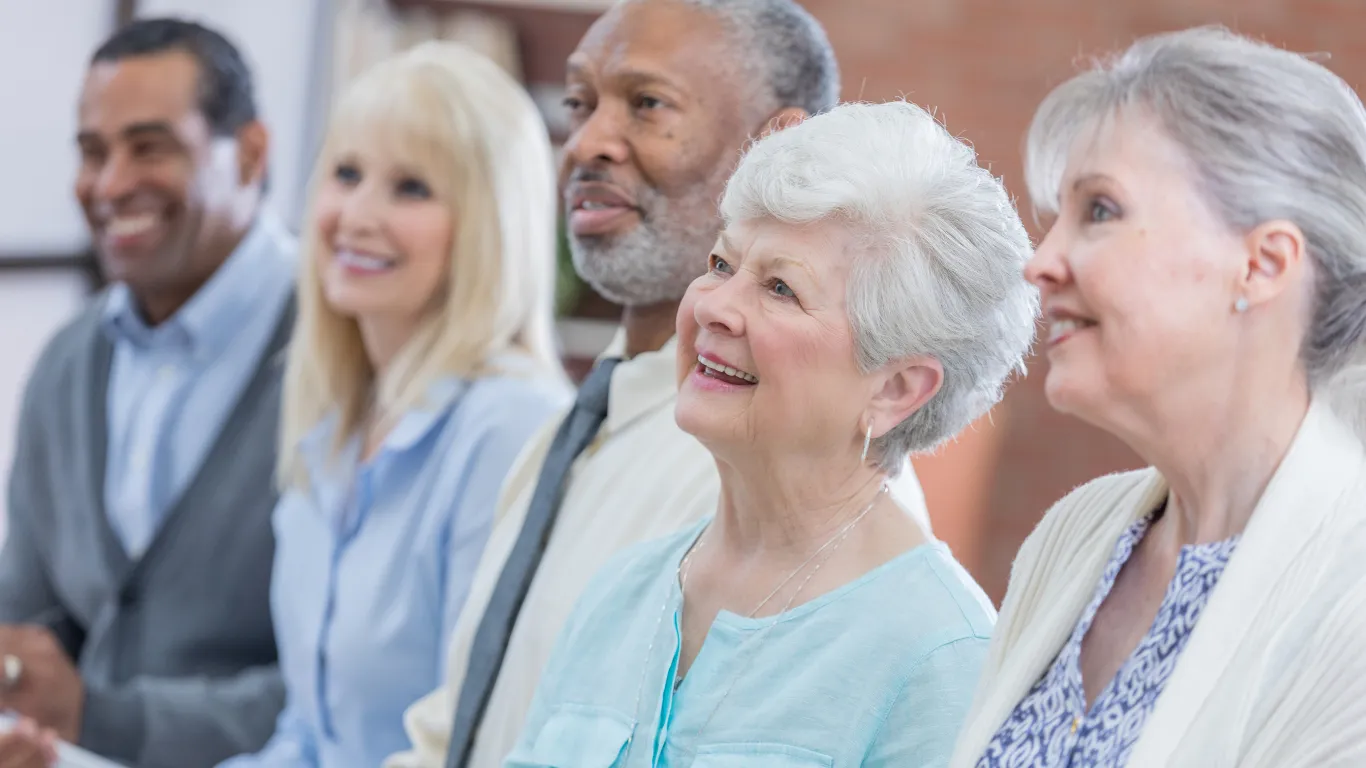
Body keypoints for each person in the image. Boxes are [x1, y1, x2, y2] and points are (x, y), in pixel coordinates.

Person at [387, 2, 932, 767]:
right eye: (578, 105)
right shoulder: (575, 425)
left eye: (646, 105)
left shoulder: (787, 480)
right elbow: (462, 728)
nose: (585, 143)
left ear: (778, 147)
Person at [508, 98, 1037, 766]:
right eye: (723, 265)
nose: (714, 308)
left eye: (780, 288)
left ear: (896, 387)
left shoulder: (940, 657)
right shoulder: (625, 589)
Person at [951, 27, 1366, 768]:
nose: (1040, 263)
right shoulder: (1072, 534)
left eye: (1100, 211)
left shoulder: (1350, 589)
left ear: (1262, 264)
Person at [217, 42, 571, 768]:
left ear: (488, 223)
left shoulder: (509, 425)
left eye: (411, 187)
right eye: (346, 173)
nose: (356, 215)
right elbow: (310, 739)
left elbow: (480, 736)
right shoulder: (335, 420)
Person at [0, 18, 291, 768]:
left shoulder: (351, 355)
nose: (110, 184)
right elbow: (35, 611)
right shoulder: (67, 364)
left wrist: (103, 716)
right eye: (93, 152)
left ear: (251, 153)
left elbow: (357, 693)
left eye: (149, 147)